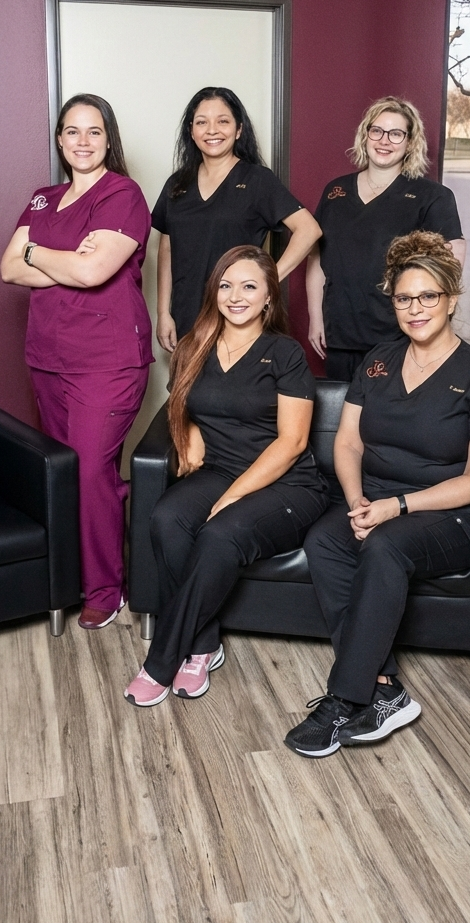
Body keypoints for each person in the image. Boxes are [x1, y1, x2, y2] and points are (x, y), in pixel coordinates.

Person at [285, 232, 470, 757]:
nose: (416, 309)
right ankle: (385, 688)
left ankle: (344, 699)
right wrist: (356, 501)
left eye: (429, 296)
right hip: (380, 499)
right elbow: (347, 442)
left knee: (386, 544)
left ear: (453, 299)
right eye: (404, 298)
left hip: (458, 511)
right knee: (326, 539)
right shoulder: (379, 361)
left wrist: (397, 507)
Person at [124, 246, 330, 707]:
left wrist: (233, 496)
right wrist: (189, 431)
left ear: (269, 298)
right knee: (166, 519)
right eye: (226, 285)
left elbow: (293, 443)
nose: (236, 296)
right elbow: (186, 403)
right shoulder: (196, 343)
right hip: (220, 471)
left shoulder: (285, 353)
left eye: (250, 286)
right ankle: (204, 644)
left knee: (218, 536)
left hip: (288, 484)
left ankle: (161, 661)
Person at [1, 93, 153, 628]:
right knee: (67, 473)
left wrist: (37, 253)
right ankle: (74, 575)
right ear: (60, 140)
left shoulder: (124, 194)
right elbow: (7, 269)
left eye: (93, 131)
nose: (82, 141)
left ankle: (107, 588)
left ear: (109, 138)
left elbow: (92, 274)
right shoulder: (44, 198)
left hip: (107, 361)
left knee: (92, 471)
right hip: (48, 358)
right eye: (72, 131)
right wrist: (67, 258)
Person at [307, 97, 465, 382]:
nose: (384, 140)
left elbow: (450, 264)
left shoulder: (432, 197)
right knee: (342, 418)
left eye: (396, 134)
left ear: (410, 142)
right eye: (376, 130)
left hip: (399, 336)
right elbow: (317, 260)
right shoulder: (336, 192)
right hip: (341, 334)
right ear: (365, 134)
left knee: (389, 420)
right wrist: (316, 317)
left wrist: (428, 326)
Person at [152, 87, 320, 350]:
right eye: (201, 122)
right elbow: (167, 247)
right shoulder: (177, 184)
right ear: (191, 131)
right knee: (187, 390)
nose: (212, 130)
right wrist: (164, 313)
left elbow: (309, 230)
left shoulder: (257, 180)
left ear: (239, 129)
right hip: (187, 317)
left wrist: (267, 281)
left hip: (240, 317)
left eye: (223, 121)